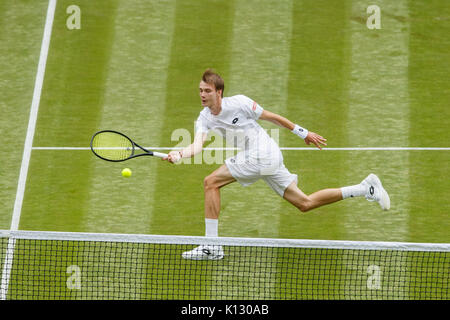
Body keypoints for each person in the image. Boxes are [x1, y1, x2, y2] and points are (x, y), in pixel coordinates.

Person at [163, 69, 390, 260]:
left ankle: (211, 246)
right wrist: (180, 154)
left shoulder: (240, 103)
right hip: (266, 157)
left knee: (210, 182)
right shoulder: (204, 118)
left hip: (263, 154)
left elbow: (272, 117)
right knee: (305, 203)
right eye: (201, 90)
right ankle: (365, 188)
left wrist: (303, 133)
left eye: (207, 91)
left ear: (219, 92)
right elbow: (197, 146)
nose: (202, 95)